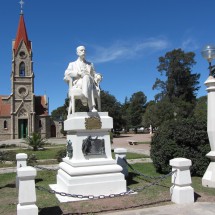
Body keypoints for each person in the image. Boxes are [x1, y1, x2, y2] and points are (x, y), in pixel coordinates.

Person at [64, 46, 102, 113]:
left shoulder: (90, 64)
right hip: (79, 83)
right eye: (81, 50)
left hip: (90, 82)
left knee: (87, 77)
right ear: (77, 53)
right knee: (86, 77)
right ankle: (92, 107)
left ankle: (84, 96)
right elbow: (67, 73)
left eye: (84, 50)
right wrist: (78, 73)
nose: (83, 52)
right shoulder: (72, 64)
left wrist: (98, 76)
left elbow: (94, 74)